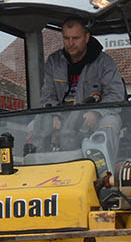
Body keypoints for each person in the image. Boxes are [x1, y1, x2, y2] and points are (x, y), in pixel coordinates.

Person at [37, 16, 125, 147]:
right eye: (66, 38)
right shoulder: (53, 62)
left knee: (110, 123)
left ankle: (103, 165)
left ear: (87, 37)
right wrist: (54, 115)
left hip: (92, 117)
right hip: (62, 117)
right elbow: (47, 95)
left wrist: (96, 113)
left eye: (76, 38)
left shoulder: (104, 63)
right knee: (34, 125)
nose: (70, 43)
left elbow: (116, 95)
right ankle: (38, 163)